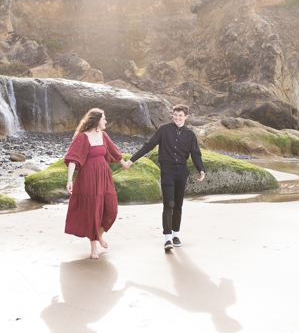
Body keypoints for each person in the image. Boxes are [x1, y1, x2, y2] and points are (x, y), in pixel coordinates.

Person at [123, 104, 205, 251]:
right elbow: (149, 145)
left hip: (182, 171)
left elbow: (196, 154)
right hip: (167, 170)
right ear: (172, 115)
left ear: (186, 117)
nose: (177, 118)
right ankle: (167, 238)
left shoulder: (190, 135)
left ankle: (176, 235)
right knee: (169, 203)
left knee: (178, 205)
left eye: (180, 115)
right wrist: (131, 160)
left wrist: (201, 170)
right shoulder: (163, 129)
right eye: (175, 115)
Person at [64, 108, 124, 259]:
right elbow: (73, 158)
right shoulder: (82, 137)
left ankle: (99, 234)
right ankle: (94, 248)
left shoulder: (103, 135)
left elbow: (114, 151)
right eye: (104, 118)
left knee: (112, 209)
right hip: (88, 178)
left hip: (104, 176)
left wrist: (124, 163)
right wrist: (70, 180)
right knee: (93, 210)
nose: (106, 121)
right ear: (96, 120)